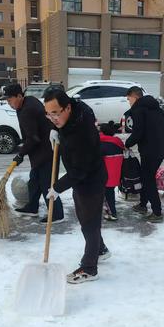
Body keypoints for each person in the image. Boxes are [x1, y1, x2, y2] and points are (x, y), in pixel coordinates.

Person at [43, 88, 109, 284]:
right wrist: (57, 129)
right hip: (83, 175)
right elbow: (65, 121)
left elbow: (80, 170)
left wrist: (57, 187)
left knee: (89, 222)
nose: (52, 117)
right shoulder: (77, 109)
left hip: (90, 179)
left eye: (55, 113)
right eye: (48, 113)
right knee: (86, 216)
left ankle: (89, 268)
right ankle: (100, 249)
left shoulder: (81, 134)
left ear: (67, 108)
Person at [4, 84, 64, 223]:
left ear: (19, 96)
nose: (9, 104)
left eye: (10, 100)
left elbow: (33, 138)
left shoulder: (27, 110)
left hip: (47, 150)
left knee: (47, 184)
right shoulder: (29, 101)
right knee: (34, 181)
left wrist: (21, 153)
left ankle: (57, 213)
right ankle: (32, 207)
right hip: (42, 149)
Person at [124, 86, 164, 223]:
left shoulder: (138, 110)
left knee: (148, 180)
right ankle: (142, 205)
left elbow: (138, 132)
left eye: (129, 99)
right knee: (146, 177)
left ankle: (157, 213)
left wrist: (127, 144)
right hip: (159, 151)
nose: (129, 102)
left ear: (135, 97)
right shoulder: (157, 109)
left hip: (149, 152)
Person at [99, 121, 124, 221]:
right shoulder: (118, 143)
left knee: (106, 195)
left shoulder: (102, 144)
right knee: (110, 193)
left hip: (104, 175)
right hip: (116, 174)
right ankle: (110, 212)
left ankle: (111, 213)